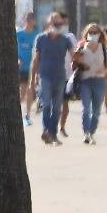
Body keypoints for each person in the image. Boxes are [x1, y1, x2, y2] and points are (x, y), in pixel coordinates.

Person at [29, 12, 73, 146]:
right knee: (46, 105)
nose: (58, 26)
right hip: (45, 76)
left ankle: (52, 134)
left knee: (57, 107)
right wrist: (33, 79)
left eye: (60, 24)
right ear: (49, 23)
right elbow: (36, 59)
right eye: (55, 23)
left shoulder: (65, 40)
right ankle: (47, 131)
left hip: (60, 77)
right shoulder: (41, 39)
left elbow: (74, 55)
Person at [72, 23, 107, 144]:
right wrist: (80, 63)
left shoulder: (104, 49)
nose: (93, 35)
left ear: (100, 34)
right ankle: (86, 133)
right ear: (86, 34)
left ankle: (92, 132)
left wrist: (104, 70)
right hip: (85, 81)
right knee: (86, 108)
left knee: (96, 111)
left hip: (99, 81)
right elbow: (74, 64)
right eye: (90, 32)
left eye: (95, 32)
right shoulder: (81, 48)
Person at [14, 12, 38, 126]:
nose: (30, 21)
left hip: (33, 68)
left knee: (30, 91)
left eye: (32, 19)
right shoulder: (18, 34)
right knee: (22, 93)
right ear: (24, 20)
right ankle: (17, 113)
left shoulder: (37, 35)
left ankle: (27, 115)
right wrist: (17, 59)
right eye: (28, 19)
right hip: (21, 67)